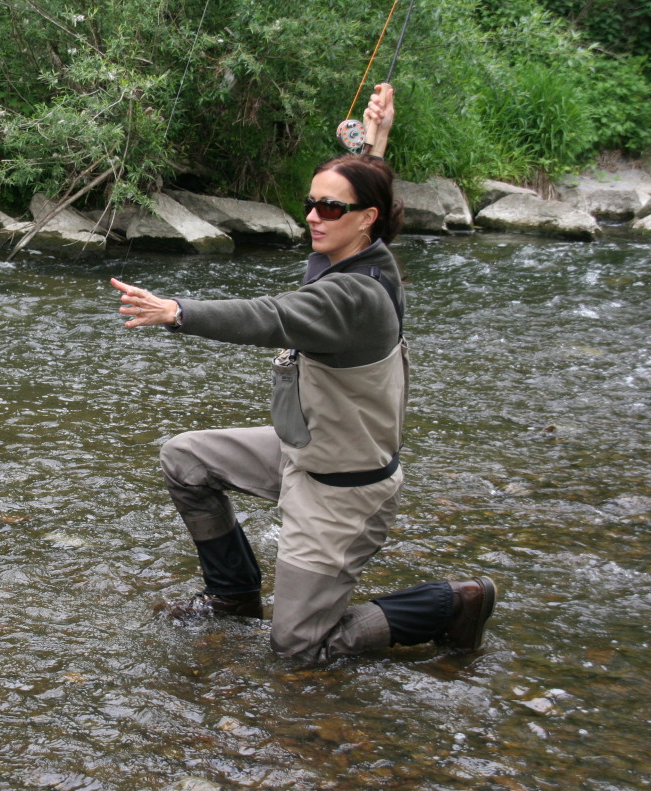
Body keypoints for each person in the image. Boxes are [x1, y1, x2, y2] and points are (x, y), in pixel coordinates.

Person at [111, 84, 496, 662]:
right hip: (302, 449)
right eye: (311, 202)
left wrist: (176, 312)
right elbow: (372, 193)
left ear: (366, 219)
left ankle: (453, 603)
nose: (314, 217)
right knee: (185, 459)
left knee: (298, 648)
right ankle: (233, 596)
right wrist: (376, 141)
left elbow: (270, 316)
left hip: (342, 491)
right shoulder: (363, 249)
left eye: (330, 209)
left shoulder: (356, 298)